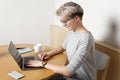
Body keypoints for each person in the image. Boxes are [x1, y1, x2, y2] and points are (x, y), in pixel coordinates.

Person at [26, 1, 97, 80]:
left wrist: (41, 63)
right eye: (62, 21)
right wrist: (49, 54)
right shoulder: (73, 32)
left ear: (77, 18)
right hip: (70, 75)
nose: (63, 25)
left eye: (65, 21)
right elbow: (62, 47)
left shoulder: (86, 39)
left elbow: (68, 71)